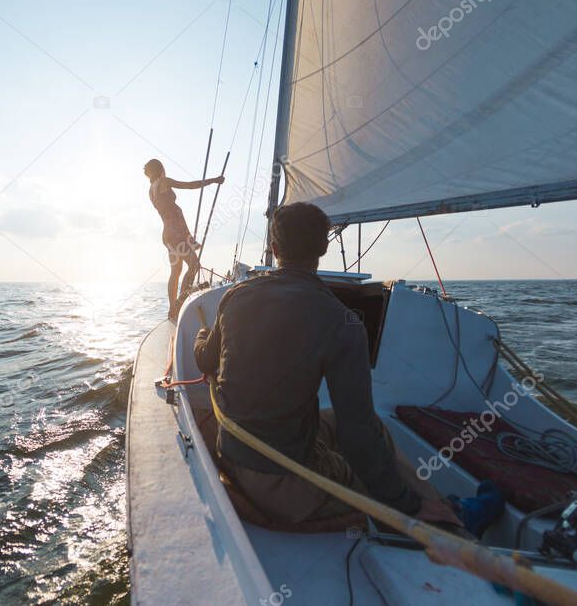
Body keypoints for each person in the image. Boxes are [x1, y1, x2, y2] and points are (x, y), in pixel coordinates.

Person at [193, 202, 460, 527]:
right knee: (379, 476)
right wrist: (404, 503)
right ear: (323, 248)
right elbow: (356, 433)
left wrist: (201, 335)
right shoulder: (342, 321)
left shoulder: (235, 297)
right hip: (284, 486)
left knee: (374, 428)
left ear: (274, 248)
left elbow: (205, 359)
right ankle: (441, 521)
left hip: (232, 454)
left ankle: (433, 508)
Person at [143, 158, 224, 320]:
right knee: (194, 264)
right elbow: (189, 185)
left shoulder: (151, 190)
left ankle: (173, 308)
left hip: (168, 234)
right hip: (176, 233)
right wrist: (213, 181)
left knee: (176, 271)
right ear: (160, 169)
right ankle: (181, 304)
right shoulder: (164, 181)